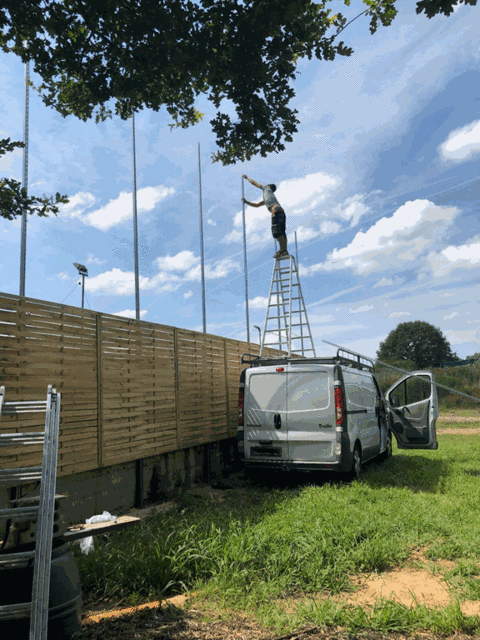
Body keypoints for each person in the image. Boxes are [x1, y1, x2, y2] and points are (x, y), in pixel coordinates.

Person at [242, 174, 289, 258]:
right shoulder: (268, 198)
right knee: (281, 231)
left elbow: (255, 183)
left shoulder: (266, 188)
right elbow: (257, 205)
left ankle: (282, 250)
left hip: (276, 210)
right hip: (280, 211)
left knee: (276, 231)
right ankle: (284, 250)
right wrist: (246, 202)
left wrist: (247, 178)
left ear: (269, 186)